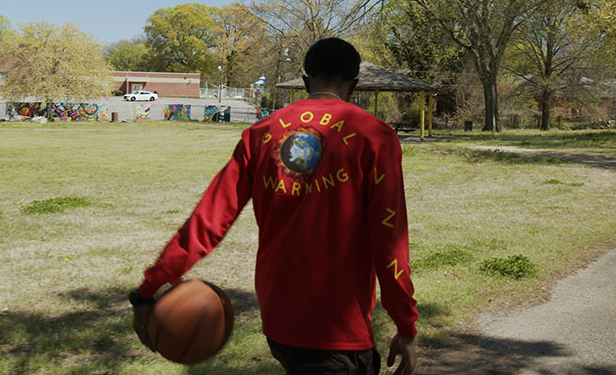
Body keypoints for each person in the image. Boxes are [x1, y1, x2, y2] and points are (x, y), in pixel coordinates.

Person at [129, 37, 418, 374]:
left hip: (279, 322)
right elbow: (390, 241)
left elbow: (207, 222)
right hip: (337, 329)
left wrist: (148, 290)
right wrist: (406, 325)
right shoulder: (375, 137)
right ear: (354, 86)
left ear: (307, 81)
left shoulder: (259, 134)